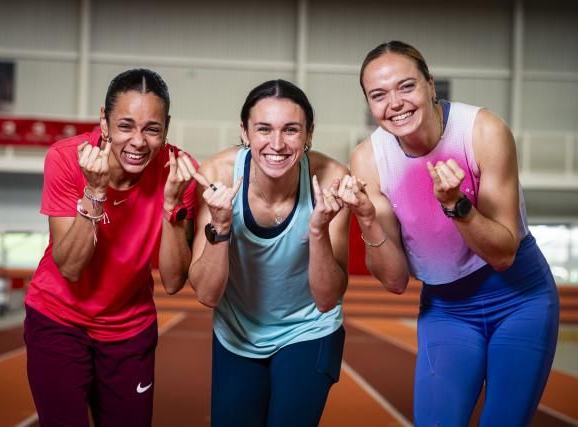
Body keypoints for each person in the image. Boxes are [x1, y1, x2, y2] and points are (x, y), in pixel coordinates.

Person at [344, 40, 559, 426]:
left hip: (519, 298)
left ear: (430, 85)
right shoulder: (368, 159)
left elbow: (504, 253)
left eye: (406, 86)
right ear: (369, 105)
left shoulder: (482, 131)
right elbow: (394, 281)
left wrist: (457, 206)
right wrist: (367, 218)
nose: (394, 103)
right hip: (446, 308)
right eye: (379, 95)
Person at [24, 68, 198, 427]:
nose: (138, 141)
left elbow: (173, 280)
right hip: (58, 318)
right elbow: (70, 267)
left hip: (129, 330)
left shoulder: (179, 172)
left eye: (152, 129)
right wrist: (95, 192)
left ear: (166, 127)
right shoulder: (66, 158)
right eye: (125, 125)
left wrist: (172, 207)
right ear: (103, 121)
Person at [187, 79, 350, 427]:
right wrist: (221, 226)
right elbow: (206, 293)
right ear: (244, 132)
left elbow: (327, 298)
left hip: (308, 328)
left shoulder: (332, 179)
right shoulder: (217, 175)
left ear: (309, 134)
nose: (277, 144)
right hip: (237, 332)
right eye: (263, 129)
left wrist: (318, 230)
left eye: (291, 130)